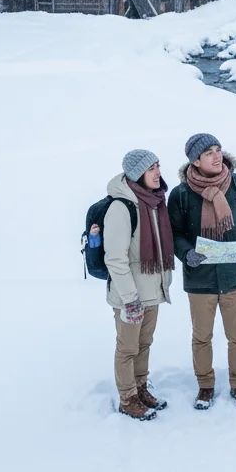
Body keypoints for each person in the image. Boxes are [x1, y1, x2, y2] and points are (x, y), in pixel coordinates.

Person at [167, 133, 236, 410]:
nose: (216, 155)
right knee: (202, 337)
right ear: (195, 161)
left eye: (218, 149)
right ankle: (205, 386)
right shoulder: (181, 194)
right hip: (200, 280)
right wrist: (186, 253)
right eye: (208, 152)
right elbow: (173, 232)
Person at [103, 149, 175, 421]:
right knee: (127, 348)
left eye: (158, 166)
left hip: (152, 292)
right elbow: (116, 259)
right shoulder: (122, 207)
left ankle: (141, 386)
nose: (157, 172)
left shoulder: (154, 203)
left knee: (144, 344)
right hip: (129, 296)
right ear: (137, 174)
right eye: (151, 169)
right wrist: (130, 299)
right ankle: (127, 397)